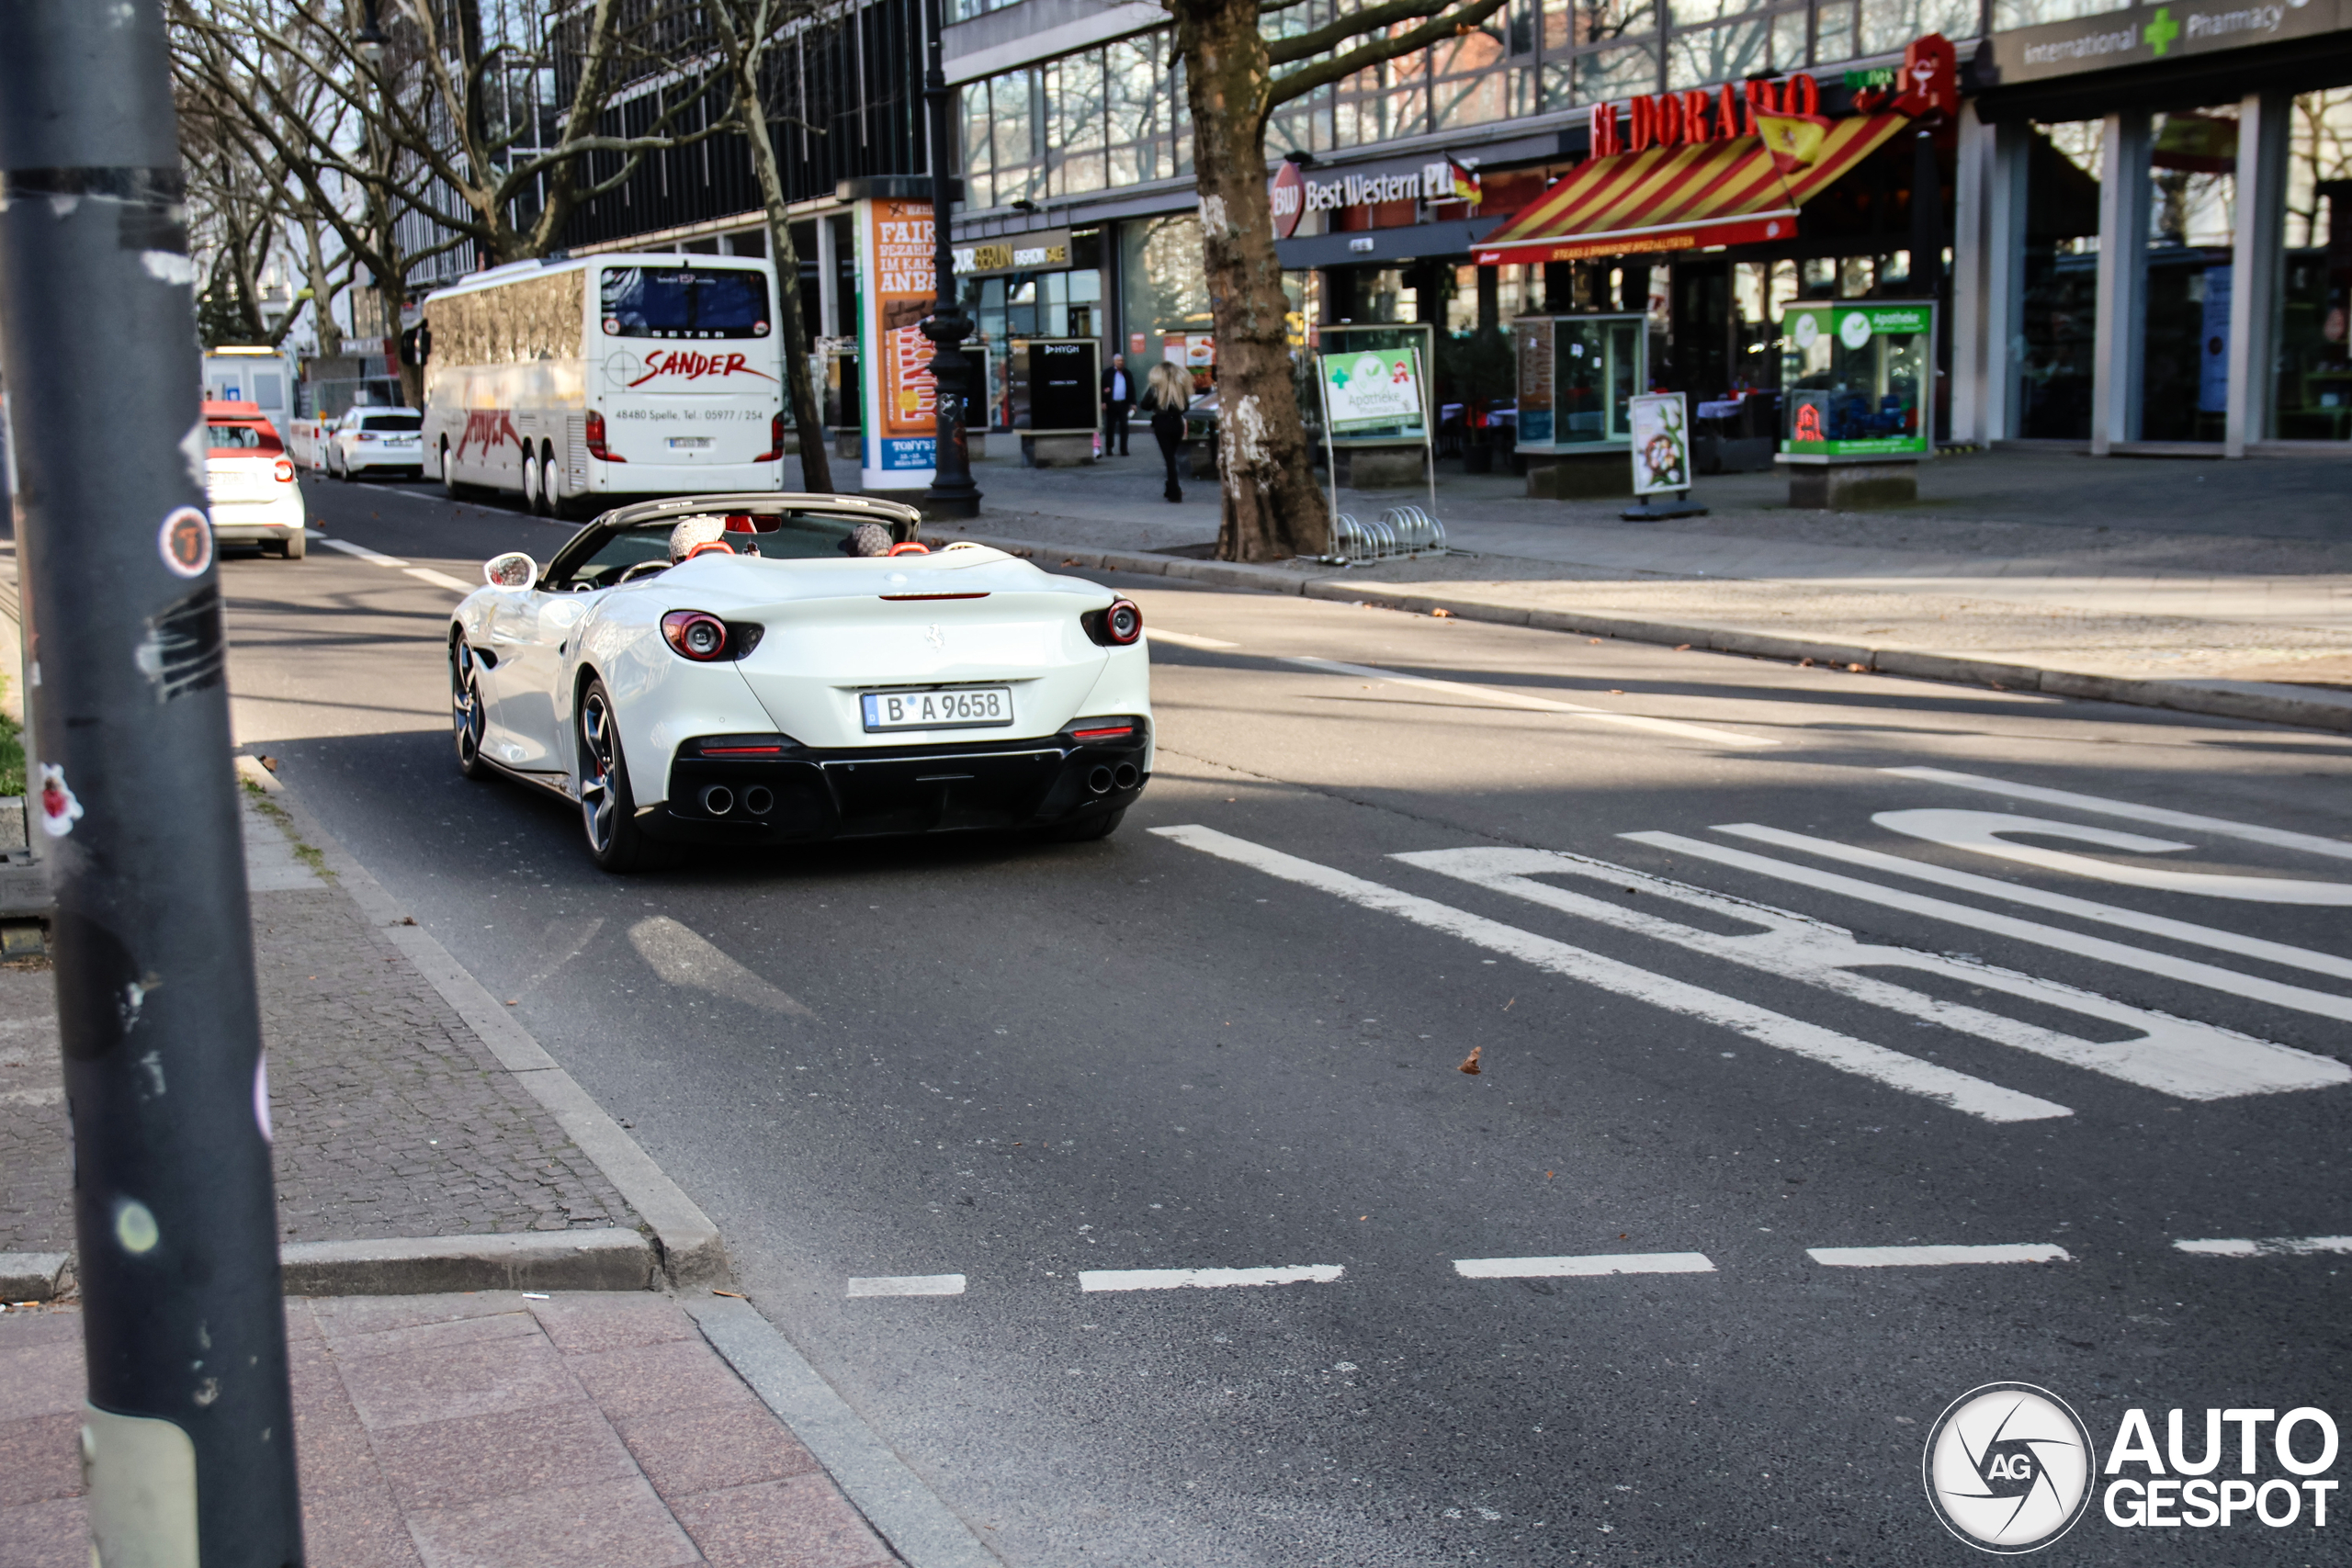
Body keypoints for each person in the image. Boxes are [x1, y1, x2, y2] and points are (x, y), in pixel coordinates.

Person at [1139, 360, 1192, 504]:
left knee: (1169, 459)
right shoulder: (1180, 389)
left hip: (1162, 423)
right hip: (1177, 424)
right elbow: (1185, 407)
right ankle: (1171, 488)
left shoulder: (1155, 389)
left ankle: (1174, 491)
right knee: (1171, 457)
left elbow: (1144, 405)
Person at [1100, 353, 1134, 457]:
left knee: (1124, 427)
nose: (1121, 363)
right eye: (1118, 361)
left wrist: (1133, 403)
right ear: (1114, 362)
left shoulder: (1127, 373)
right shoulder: (1107, 373)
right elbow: (1101, 387)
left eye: (1122, 361)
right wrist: (1103, 401)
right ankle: (1109, 448)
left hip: (1123, 404)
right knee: (1110, 427)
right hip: (1111, 404)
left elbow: (1132, 389)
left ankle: (1123, 449)